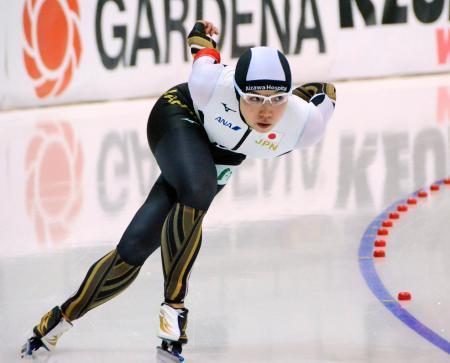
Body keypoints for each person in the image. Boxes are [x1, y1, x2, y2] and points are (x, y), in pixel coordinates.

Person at [21, 20, 336, 361]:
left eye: (276, 99)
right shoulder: (209, 84)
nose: (265, 110)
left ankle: (56, 323)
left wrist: (309, 94)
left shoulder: (304, 126)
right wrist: (203, 31)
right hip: (179, 116)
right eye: (254, 98)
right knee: (198, 189)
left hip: (218, 155)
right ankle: (174, 308)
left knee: (135, 247)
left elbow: (327, 92)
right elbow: (200, 43)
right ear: (236, 91)